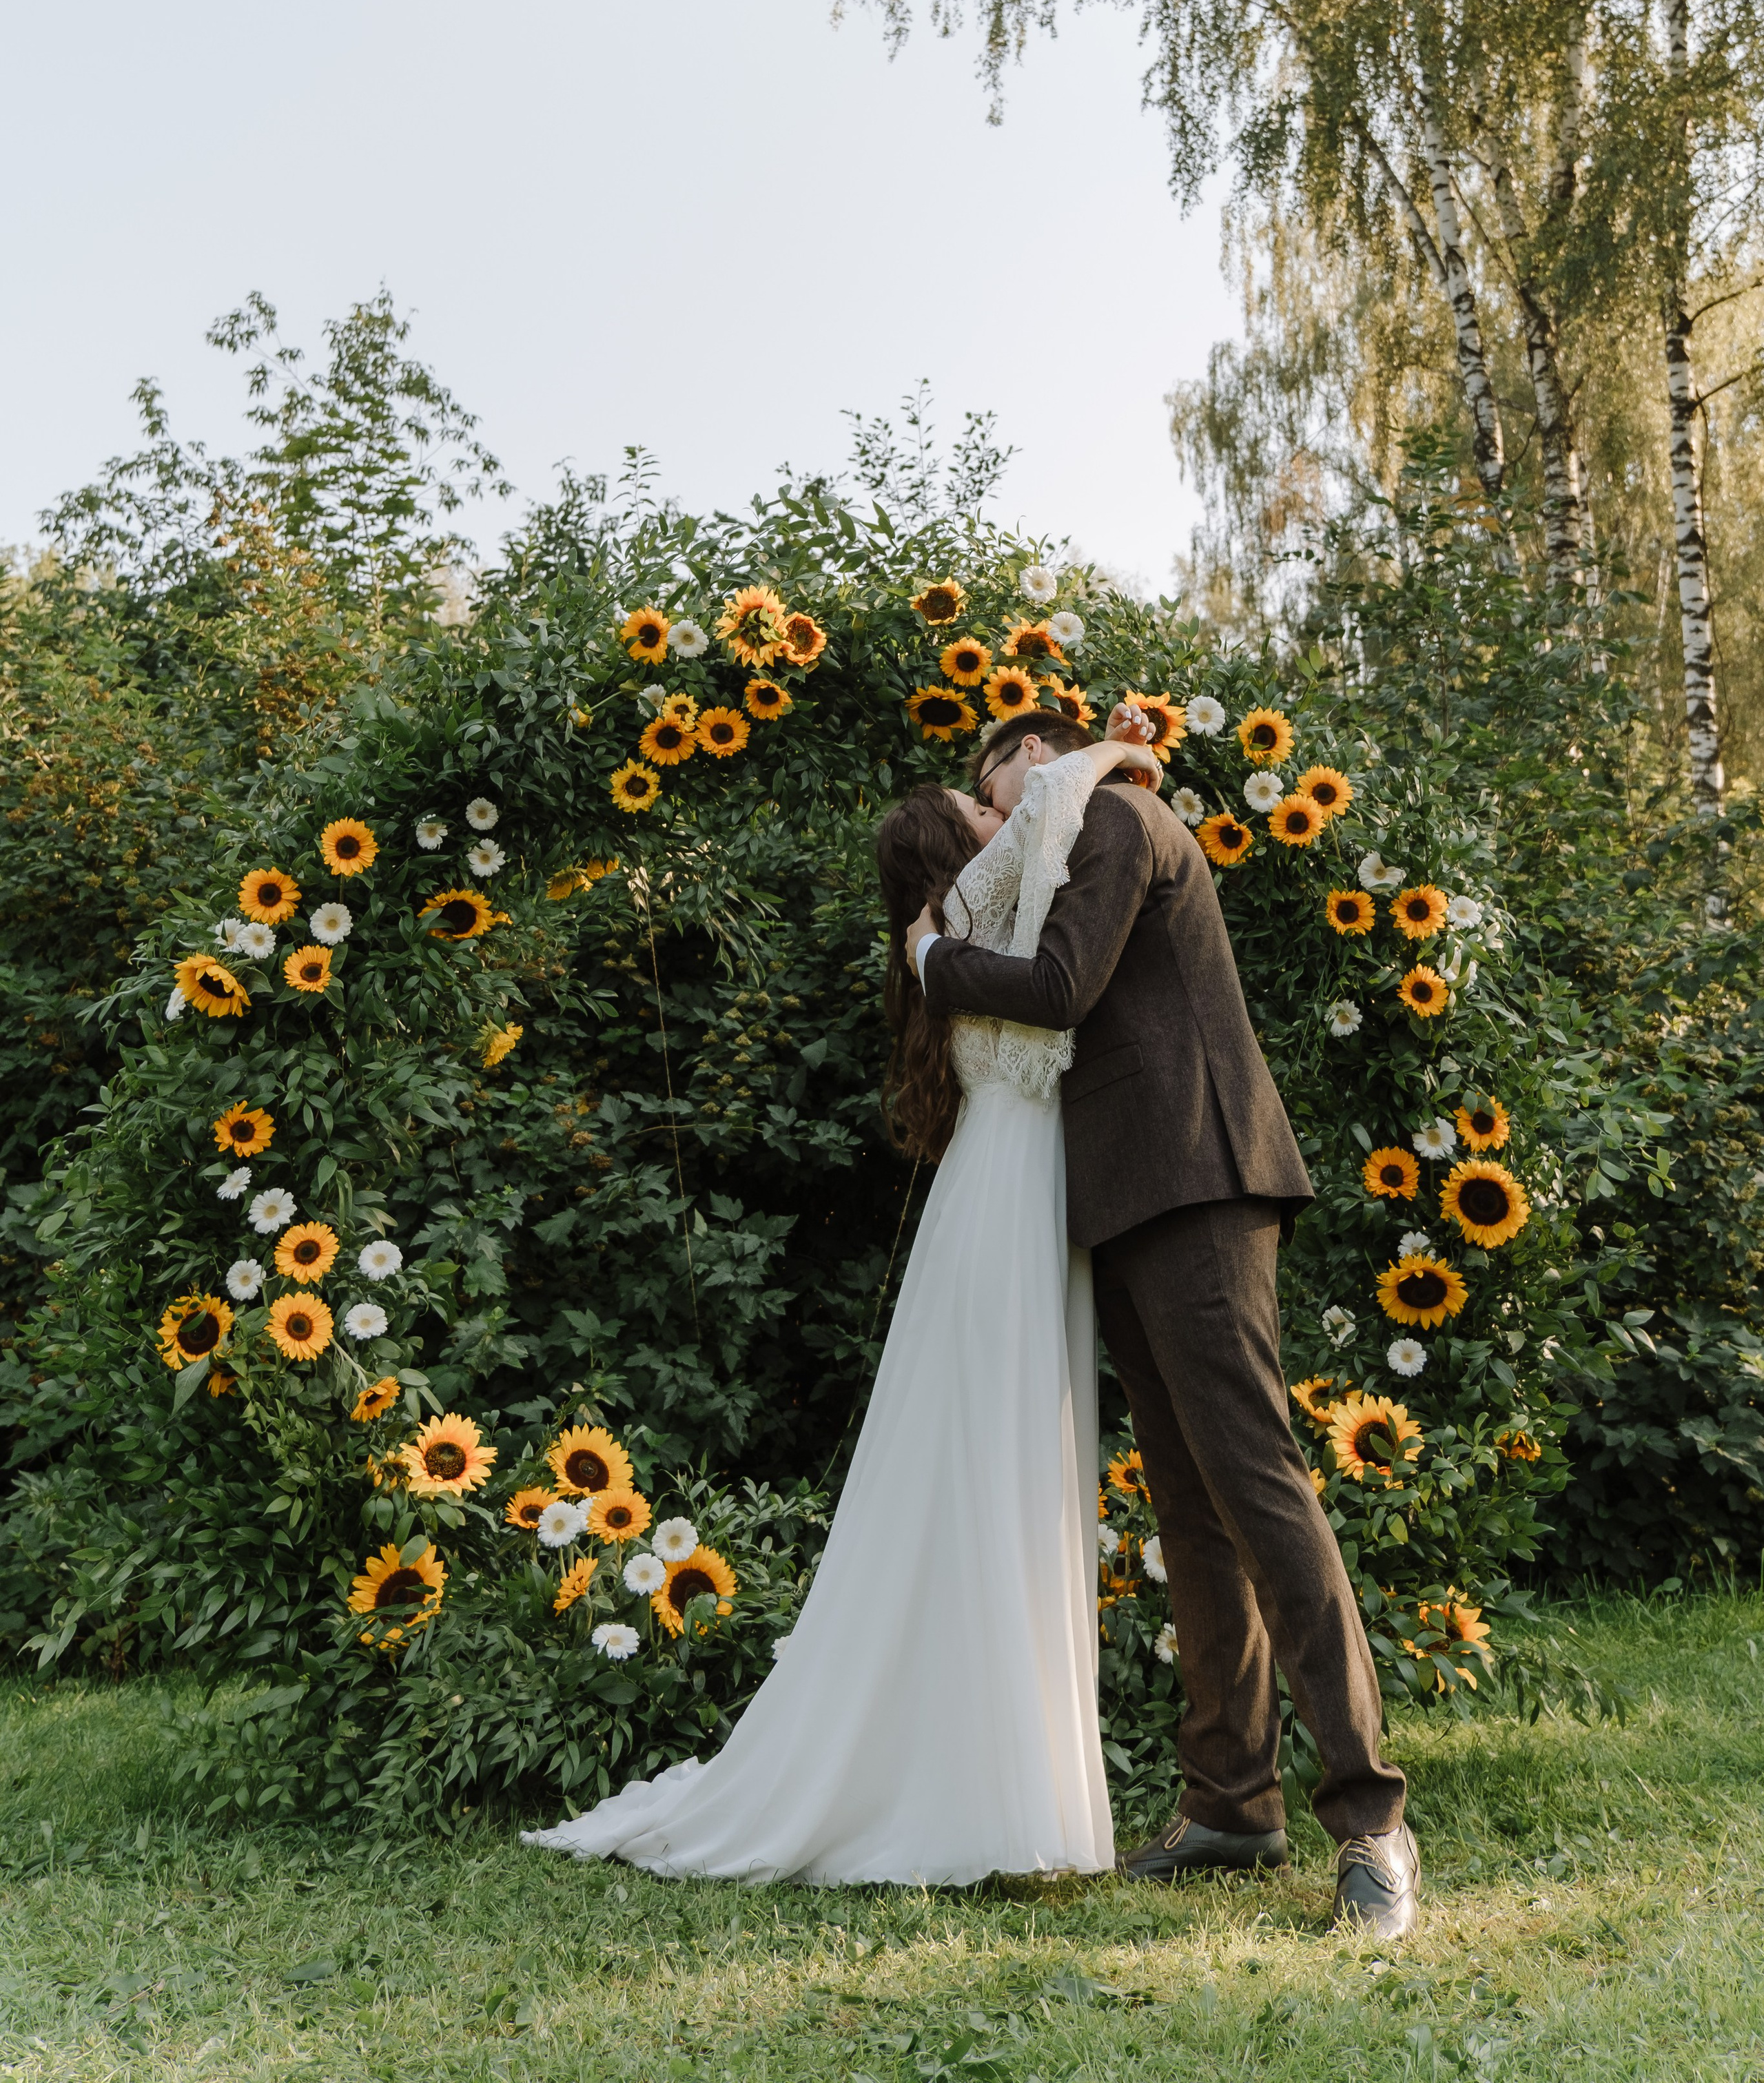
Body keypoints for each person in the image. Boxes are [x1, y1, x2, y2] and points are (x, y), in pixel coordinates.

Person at [520, 726, 1156, 1883]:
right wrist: (1112, 748)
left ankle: (1005, 1777)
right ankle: (988, 1799)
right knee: (996, 1471)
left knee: (1004, 1473)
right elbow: (1056, 802)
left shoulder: (956, 927)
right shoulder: (964, 912)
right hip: (1004, 1215)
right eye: (973, 814)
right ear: (949, 854)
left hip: (1007, 1209)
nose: (993, 812)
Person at [905, 708, 1419, 1941]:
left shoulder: (1119, 819)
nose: (994, 814)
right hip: (1128, 1200)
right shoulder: (1079, 837)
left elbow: (1063, 990)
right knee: (1190, 1506)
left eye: (994, 784)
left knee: (1258, 1485)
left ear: (1038, 756)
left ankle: (1374, 1822)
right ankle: (1232, 1802)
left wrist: (929, 958)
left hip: (1199, 1178)